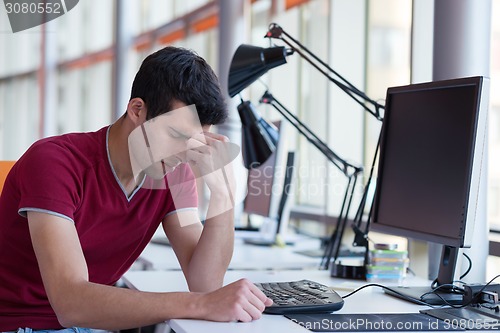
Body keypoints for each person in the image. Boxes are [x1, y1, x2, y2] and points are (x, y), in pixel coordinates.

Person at [0, 46, 272, 332]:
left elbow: (204, 283)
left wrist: (223, 195)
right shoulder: (54, 162)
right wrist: (201, 304)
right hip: (21, 325)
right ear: (137, 110)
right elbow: (71, 303)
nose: (185, 153)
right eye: (177, 135)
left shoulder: (174, 174)